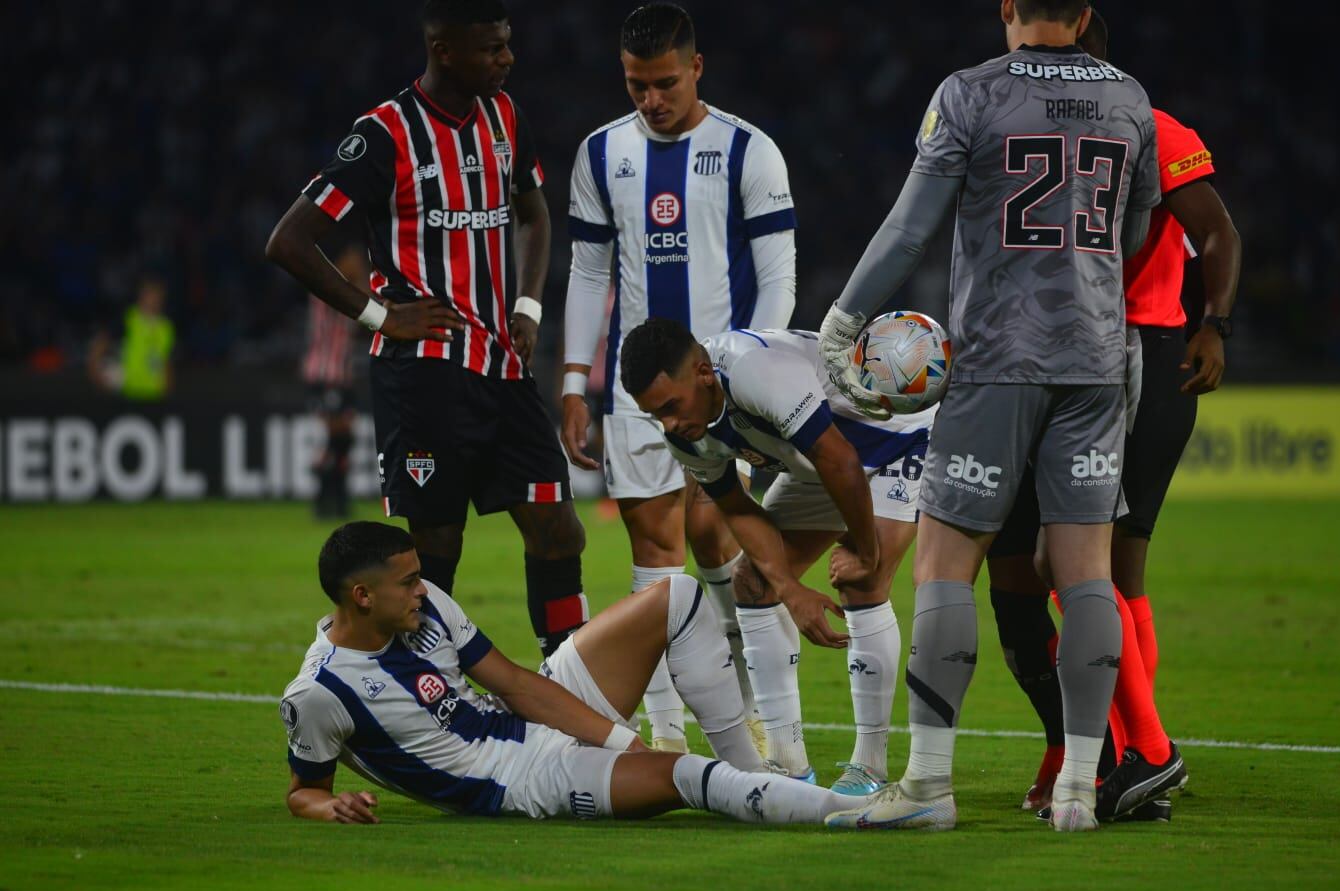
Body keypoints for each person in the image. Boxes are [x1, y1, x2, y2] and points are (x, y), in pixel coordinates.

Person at [818, 0, 1160, 831]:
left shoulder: (969, 94)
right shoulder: (1131, 101)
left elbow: (910, 232)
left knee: (944, 563)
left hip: (997, 360)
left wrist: (843, 322)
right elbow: (1138, 227)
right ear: (1084, 11)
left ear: (1007, 7)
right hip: (1097, 364)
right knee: (1085, 574)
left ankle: (929, 787)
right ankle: (1081, 788)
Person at [266, 0, 590, 657]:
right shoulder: (384, 133)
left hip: (502, 365)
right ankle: (424, 690)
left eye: (507, 44)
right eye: (492, 49)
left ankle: (568, 686)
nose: (508, 59)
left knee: (558, 527)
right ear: (445, 50)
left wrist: (527, 307)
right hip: (424, 375)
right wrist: (379, 314)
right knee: (434, 549)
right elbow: (289, 241)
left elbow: (534, 213)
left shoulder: (505, 116)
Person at [990, 8, 1241, 822]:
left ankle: (1141, 749)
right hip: (1081, 357)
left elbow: (1219, 232)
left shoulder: (1152, 126)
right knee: (1099, 573)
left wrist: (1214, 323)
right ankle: (1124, 753)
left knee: (1076, 565)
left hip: (1130, 357)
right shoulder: (1061, 123)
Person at [281, 521, 888, 828]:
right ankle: (848, 811)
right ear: (361, 596)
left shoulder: (428, 604)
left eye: (419, 576)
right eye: (407, 582)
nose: (422, 588)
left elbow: (515, 683)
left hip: (523, 716)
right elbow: (302, 788)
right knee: (686, 775)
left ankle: (755, 776)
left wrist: (617, 737)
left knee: (675, 596)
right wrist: (326, 809)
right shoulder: (320, 691)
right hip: (518, 780)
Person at [560, 2, 797, 755]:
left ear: (696, 68)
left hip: (720, 387)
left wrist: (748, 371)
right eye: (636, 85)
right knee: (652, 550)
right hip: (637, 393)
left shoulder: (747, 150)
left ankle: (754, 705)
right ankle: (664, 734)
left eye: (664, 82)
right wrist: (573, 378)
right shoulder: (601, 154)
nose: (651, 100)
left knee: (717, 535)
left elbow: (778, 279)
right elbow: (589, 268)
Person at [620, 318, 935, 793]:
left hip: (893, 443)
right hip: (822, 464)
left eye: (670, 407)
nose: (668, 425)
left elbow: (842, 461)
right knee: (755, 582)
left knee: (860, 582)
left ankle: (868, 766)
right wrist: (789, 589)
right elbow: (736, 509)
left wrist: (867, 550)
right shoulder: (686, 432)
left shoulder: (754, 372)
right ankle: (787, 767)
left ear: (704, 373)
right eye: (655, 415)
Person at [301, 245, 368, 520]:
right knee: (336, 437)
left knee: (343, 439)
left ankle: (335, 497)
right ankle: (326, 498)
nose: (360, 270)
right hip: (325, 374)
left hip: (341, 376)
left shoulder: (346, 292)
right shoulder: (328, 290)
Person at [87, 273, 175, 401]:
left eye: (157, 294)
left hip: (153, 395)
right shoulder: (128, 318)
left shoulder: (166, 328)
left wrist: (167, 392)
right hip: (126, 393)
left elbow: (166, 362)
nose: (153, 298)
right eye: (149, 293)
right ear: (141, 295)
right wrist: (95, 371)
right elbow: (101, 342)